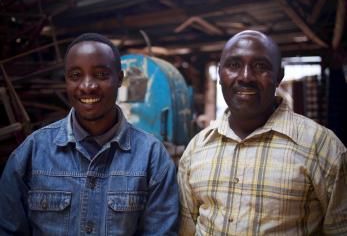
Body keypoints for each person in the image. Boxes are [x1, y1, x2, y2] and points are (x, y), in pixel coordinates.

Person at [0, 33, 179, 235]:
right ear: (66, 80)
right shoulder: (32, 153)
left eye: (101, 75)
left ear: (119, 79)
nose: (87, 86)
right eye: (76, 76)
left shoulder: (151, 157)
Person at [178, 30, 347, 235]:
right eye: (234, 65)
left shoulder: (323, 146)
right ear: (220, 74)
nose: (246, 76)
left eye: (261, 66)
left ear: (279, 76)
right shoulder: (197, 148)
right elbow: (186, 230)